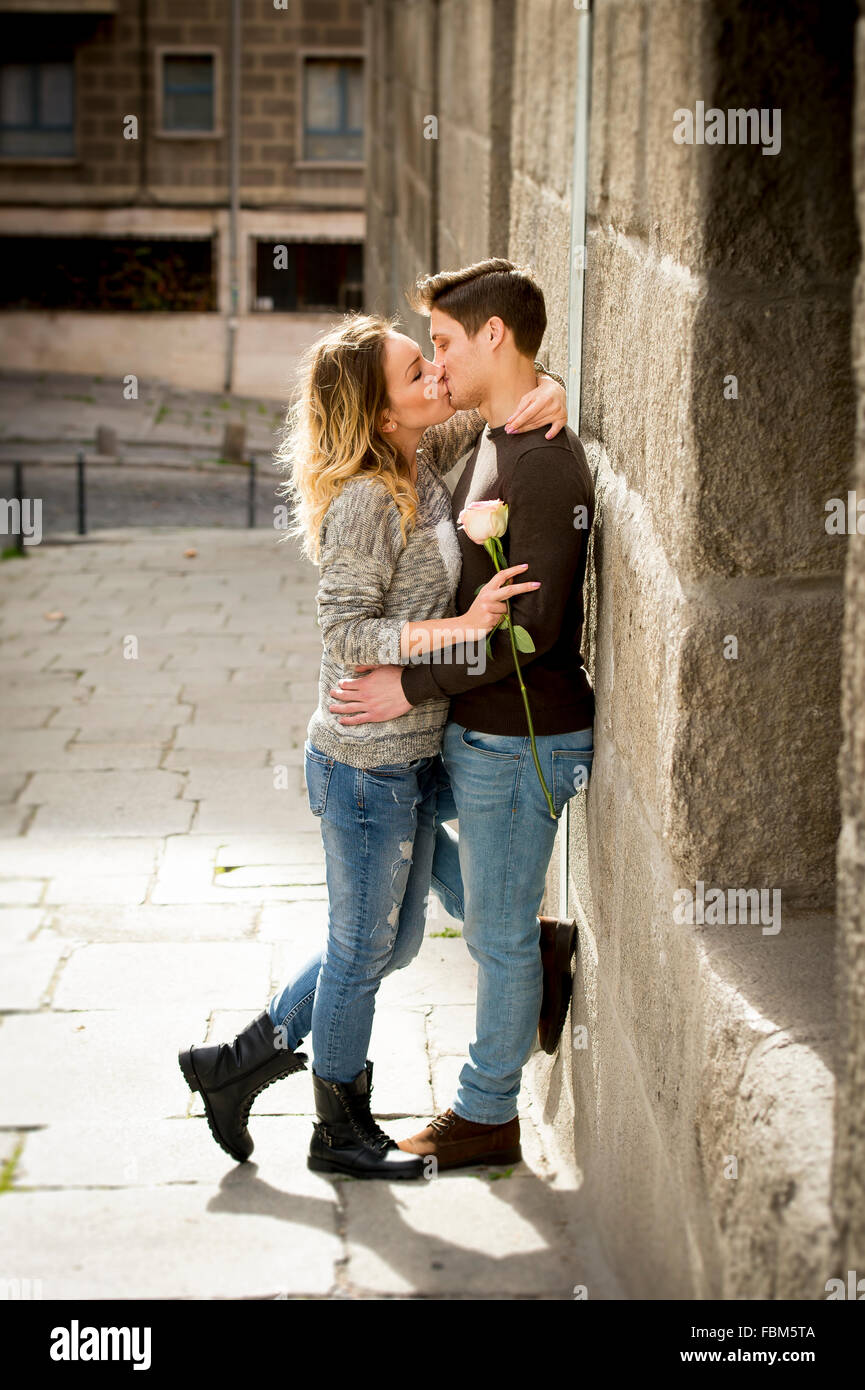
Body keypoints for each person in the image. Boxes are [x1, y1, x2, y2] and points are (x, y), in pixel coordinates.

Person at [178, 309, 568, 1178]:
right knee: (362, 951)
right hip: (365, 768)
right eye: (414, 371)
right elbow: (348, 633)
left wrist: (551, 389)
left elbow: (503, 404)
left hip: (409, 753)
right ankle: (338, 1134)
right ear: (383, 414)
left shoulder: (421, 460)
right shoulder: (365, 500)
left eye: (432, 358)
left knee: (387, 946)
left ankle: (236, 1065)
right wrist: (460, 625)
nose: (436, 373)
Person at [327, 259, 596, 1171]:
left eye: (443, 344)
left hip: (519, 731)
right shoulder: (486, 438)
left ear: (493, 337)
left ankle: (487, 1114)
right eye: (423, 357)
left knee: (488, 933)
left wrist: (408, 685)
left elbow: (527, 635)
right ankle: (541, 951)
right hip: (476, 730)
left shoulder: (543, 458)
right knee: (429, 868)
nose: (436, 366)